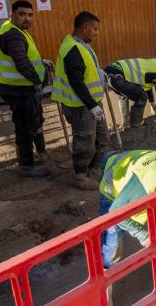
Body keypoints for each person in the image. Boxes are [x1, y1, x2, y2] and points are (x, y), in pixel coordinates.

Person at [0, 0, 52, 177]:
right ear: (11, 15)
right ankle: (27, 165)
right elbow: (21, 62)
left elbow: (22, 56)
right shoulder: (13, 34)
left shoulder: (16, 30)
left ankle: (41, 153)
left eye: (30, 15)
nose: (27, 18)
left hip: (20, 88)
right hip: (19, 90)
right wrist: (37, 83)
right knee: (25, 125)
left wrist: (41, 63)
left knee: (35, 120)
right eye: (22, 14)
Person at [52, 11, 109, 190]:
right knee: (85, 141)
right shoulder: (72, 48)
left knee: (102, 138)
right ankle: (80, 176)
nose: (96, 33)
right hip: (80, 106)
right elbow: (76, 80)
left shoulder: (81, 45)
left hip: (91, 103)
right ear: (84, 27)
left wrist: (100, 74)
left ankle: (93, 169)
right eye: (95, 29)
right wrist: (92, 106)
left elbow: (86, 71)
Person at [104, 57, 156, 129]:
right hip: (118, 78)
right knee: (142, 96)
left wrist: (152, 103)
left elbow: (147, 87)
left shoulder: (150, 64)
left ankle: (126, 122)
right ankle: (136, 123)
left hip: (110, 74)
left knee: (124, 94)